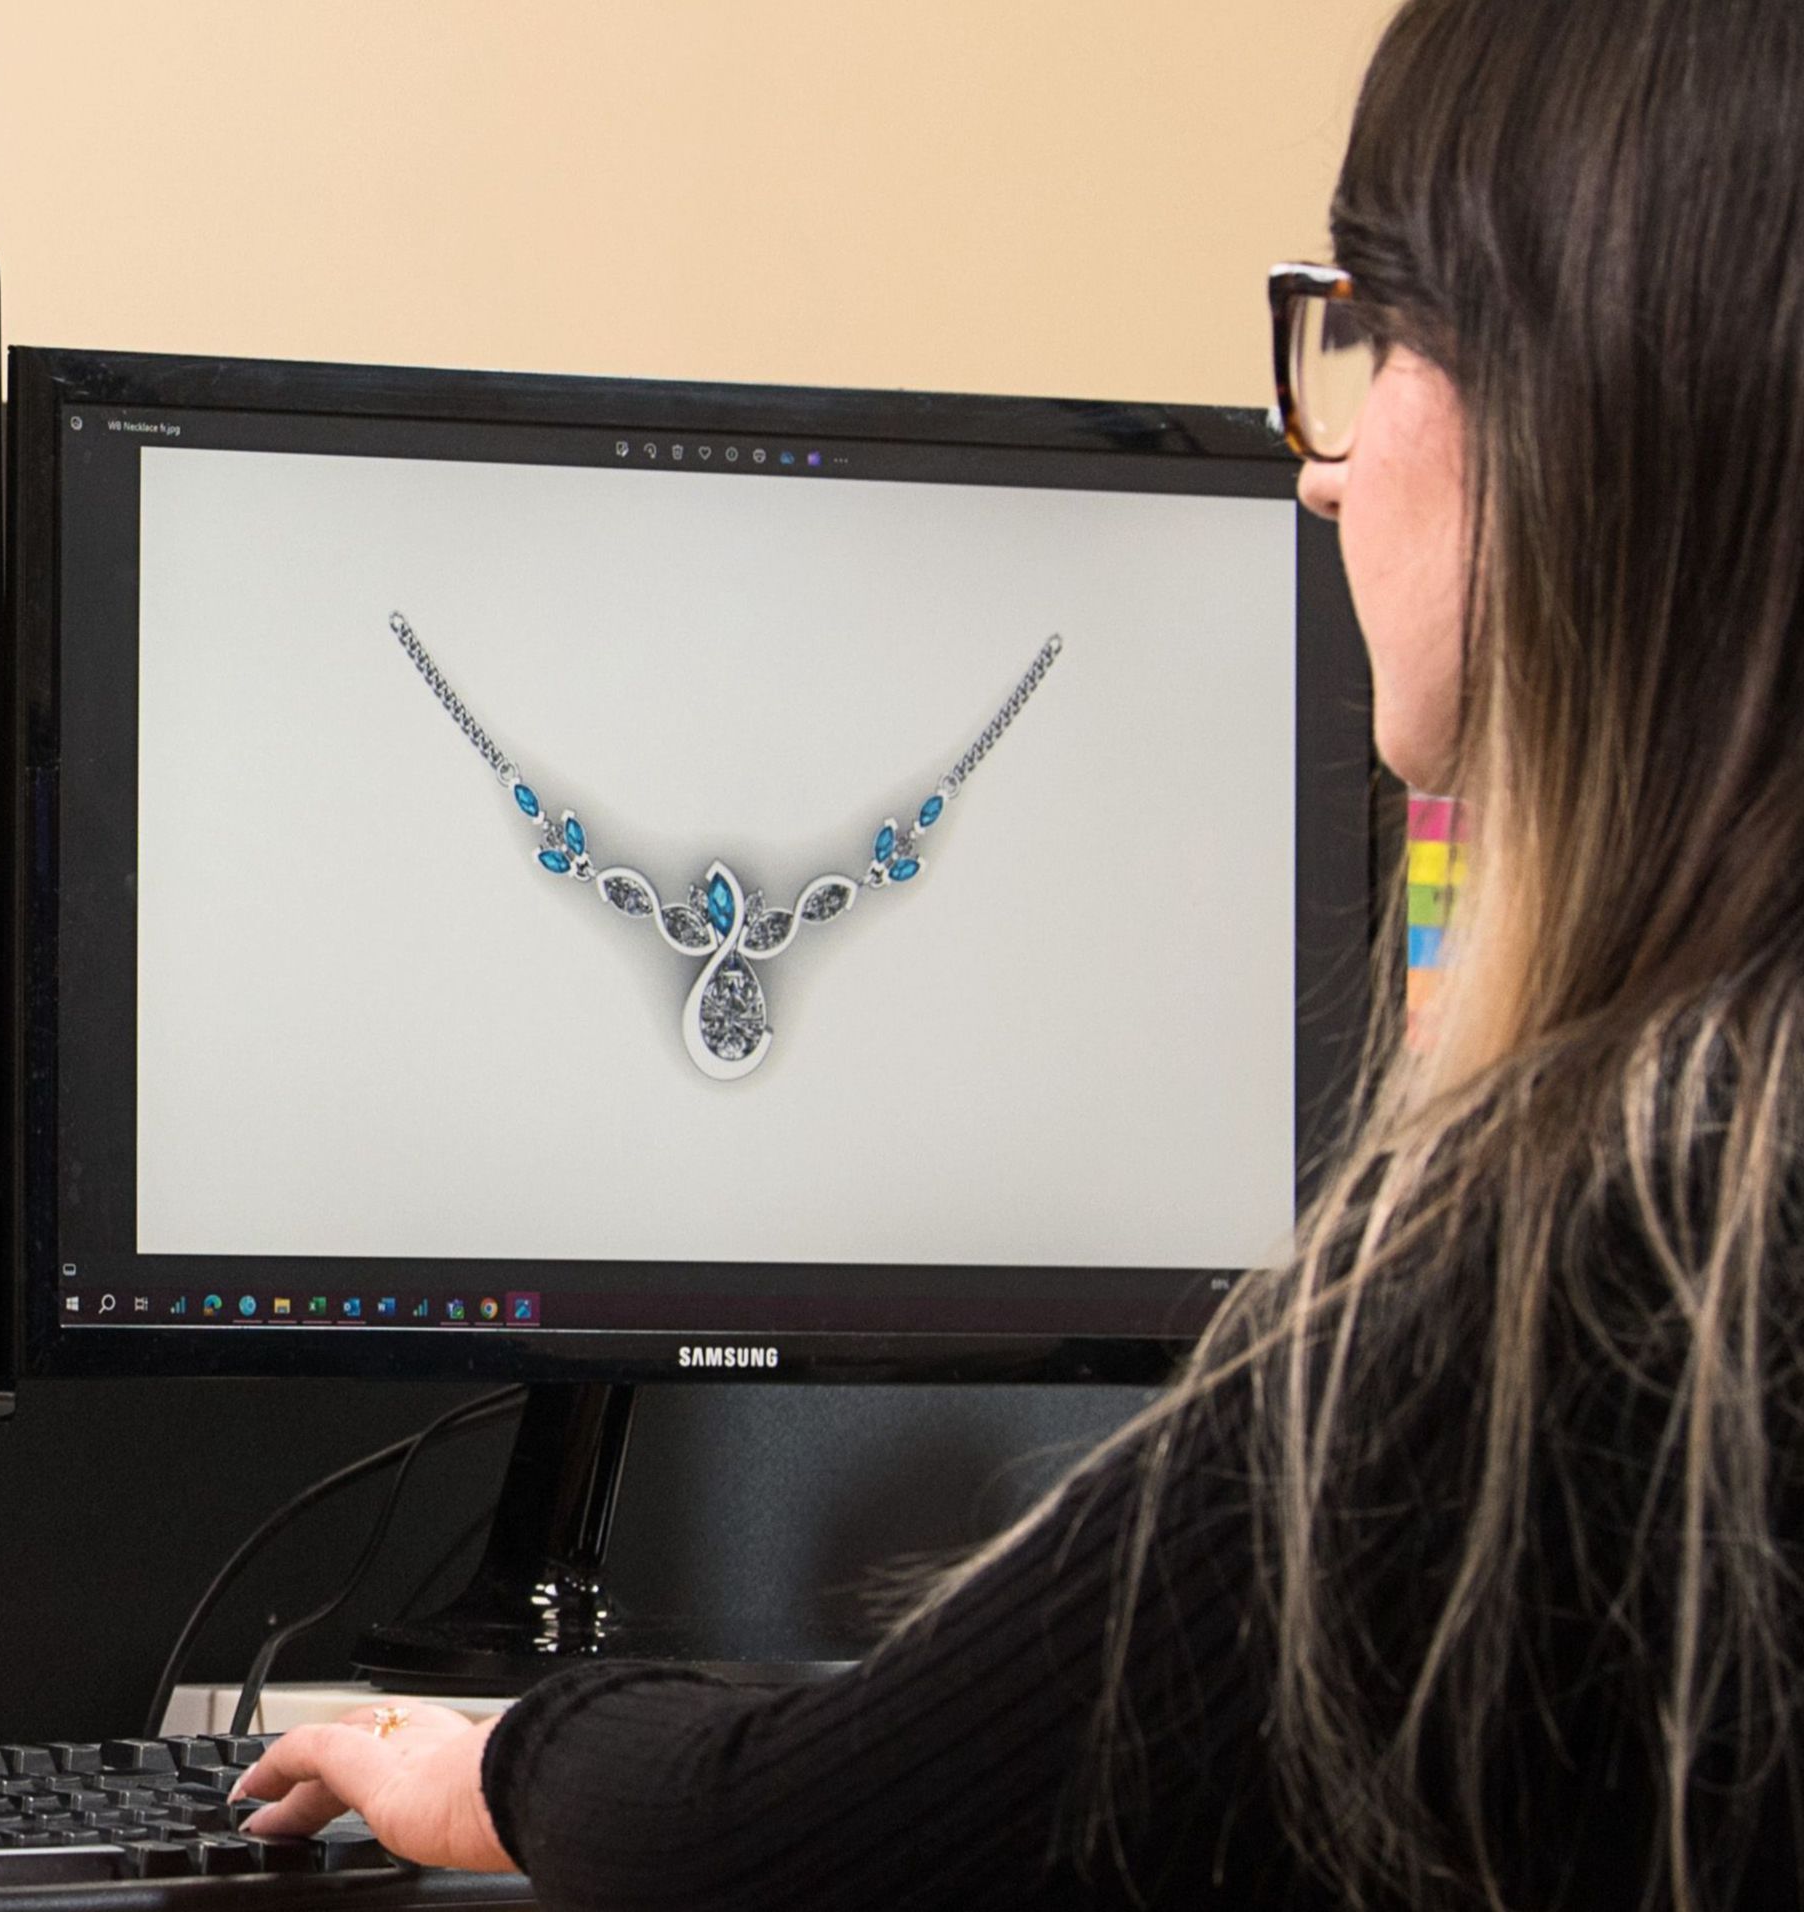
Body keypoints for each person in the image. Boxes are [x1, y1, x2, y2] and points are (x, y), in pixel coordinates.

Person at [233, 0, 1804, 1904]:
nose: (1321, 468)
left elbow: (792, 1834)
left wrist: (508, 1758)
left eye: (1384, 333)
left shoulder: (1577, 1279)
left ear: (1589, 417)